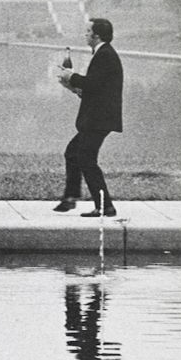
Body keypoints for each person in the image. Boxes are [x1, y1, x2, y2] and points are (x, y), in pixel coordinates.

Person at [56, 18, 122, 217]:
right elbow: (98, 88)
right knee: (73, 153)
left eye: (87, 31)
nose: (85, 34)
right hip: (96, 119)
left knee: (86, 159)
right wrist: (74, 87)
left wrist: (71, 76)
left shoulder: (105, 55)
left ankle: (104, 206)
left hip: (98, 120)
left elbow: (92, 84)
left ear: (97, 35)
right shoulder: (103, 54)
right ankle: (71, 197)